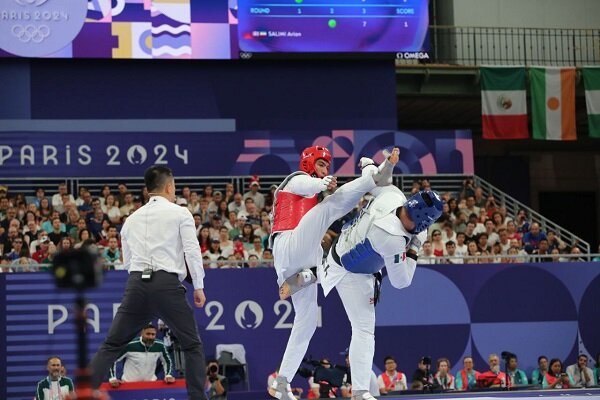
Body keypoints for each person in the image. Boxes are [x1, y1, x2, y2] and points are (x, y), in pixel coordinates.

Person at [268, 147, 399, 400]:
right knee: (330, 206)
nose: (325, 170)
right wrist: (320, 182)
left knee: (306, 323)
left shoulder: (314, 192)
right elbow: (306, 185)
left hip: (301, 254)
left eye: (327, 167)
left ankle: (281, 382)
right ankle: (373, 175)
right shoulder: (294, 179)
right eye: (320, 164)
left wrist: (324, 183)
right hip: (289, 242)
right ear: (307, 163)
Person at [320, 157, 443, 400]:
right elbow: (401, 281)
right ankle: (360, 392)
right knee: (364, 331)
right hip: (353, 273)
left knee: (359, 327)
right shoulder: (393, 237)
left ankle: (311, 274)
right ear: (425, 221)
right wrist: (416, 245)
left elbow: (374, 180)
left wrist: (370, 163)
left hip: (341, 248)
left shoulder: (393, 195)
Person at [89, 165, 207, 400]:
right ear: (169, 186)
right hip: (166, 284)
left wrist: (140, 286)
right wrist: (199, 286)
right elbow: (192, 251)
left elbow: (127, 262)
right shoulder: (180, 213)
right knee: (192, 346)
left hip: (136, 284)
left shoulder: (131, 219)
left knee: (111, 345)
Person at [108, 322, 174, 386]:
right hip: (129, 386)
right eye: (148, 334)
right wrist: (112, 378)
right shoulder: (130, 345)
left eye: (153, 334)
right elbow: (111, 359)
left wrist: (168, 375)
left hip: (150, 386)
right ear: (141, 333)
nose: (150, 337)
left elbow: (167, 361)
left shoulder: (160, 346)